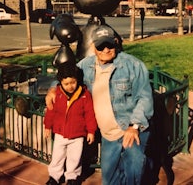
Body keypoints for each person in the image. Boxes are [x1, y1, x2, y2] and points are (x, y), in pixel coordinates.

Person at [46, 25, 154, 185]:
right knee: (109, 181)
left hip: (129, 130)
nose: (105, 50)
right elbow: (66, 75)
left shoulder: (133, 65)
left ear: (116, 42)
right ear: (93, 46)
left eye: (109, 44)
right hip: (108, 135)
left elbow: (145, 97)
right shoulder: (86, 65)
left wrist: (134, 126)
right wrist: (52, 89)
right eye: (100, 45)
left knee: (133, 176)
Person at [44, 63, 97, 185]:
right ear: (60, 82)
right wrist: (47, 126)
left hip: (77, 134)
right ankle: (54, 176)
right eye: (66, 84)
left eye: (73, 82)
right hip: (60, 133)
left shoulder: (84, 95)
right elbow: (51, 111)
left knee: (75, 158)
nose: (70, 86)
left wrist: (91, 131)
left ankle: (72, 177)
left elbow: (90, 114)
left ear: (77, 80)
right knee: (57, 157)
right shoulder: (57, 94)